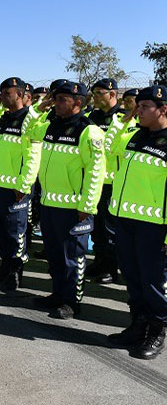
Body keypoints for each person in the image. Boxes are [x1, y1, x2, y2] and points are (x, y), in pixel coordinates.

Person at [30, 81, 105, 319]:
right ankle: (58, 294)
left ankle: (72, 301)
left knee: (73, 257)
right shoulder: (52, 124)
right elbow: (30, 134)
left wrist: (87, 205)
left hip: (74, 207)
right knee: (53, 254)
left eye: (61, 100)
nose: (56, 103)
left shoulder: (89, 131)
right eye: (56, 99)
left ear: (78, 103)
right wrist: (40, 110)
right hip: (50, 202)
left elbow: (95, 171)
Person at [105, 85, 167, 360]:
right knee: (133, 276)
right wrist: (126, 119)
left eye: (144, 107)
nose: (138, 110)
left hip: (154, 225)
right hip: (125, 219)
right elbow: (108, 148)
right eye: (137, 105)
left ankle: (156, 330)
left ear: (163, 109)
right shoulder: (134, 135)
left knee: (153, 280)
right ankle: (138, 324)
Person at [0, 77, 42, 290]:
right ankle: (5, 265)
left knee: (15, 231)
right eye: (1, 93)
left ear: (20, 94)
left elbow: (33, 156)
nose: (3, 97)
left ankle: (16, 271)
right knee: (1, 231)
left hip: (17, 187)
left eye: (7, 93)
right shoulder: (2, 117)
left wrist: (24, 185)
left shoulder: (31, 120)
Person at [85, 78, 125, 284]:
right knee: (97, 228)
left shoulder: (123, 118)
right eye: (94, 93)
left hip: (112, 182)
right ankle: (99, 262)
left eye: (99, 93)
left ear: (112, 94)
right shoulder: (92, 116)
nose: (95, 97)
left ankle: (111, 268)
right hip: (95, 179)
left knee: (109, 229)